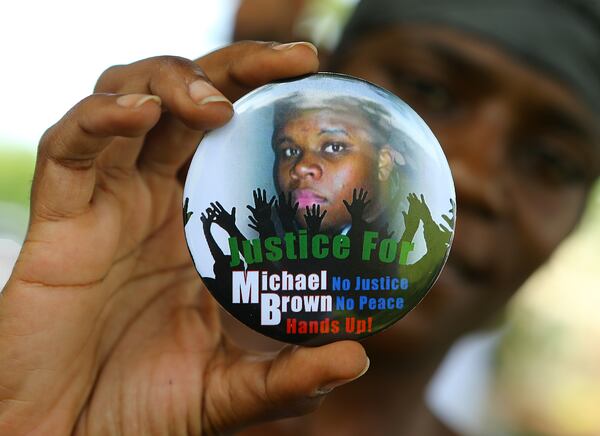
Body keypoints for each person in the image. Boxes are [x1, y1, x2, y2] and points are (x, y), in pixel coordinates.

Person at [0, 0, 597, 435]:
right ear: (305, 85)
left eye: (552, 160)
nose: (472, 174)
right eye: (427, 90)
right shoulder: (88, 381)